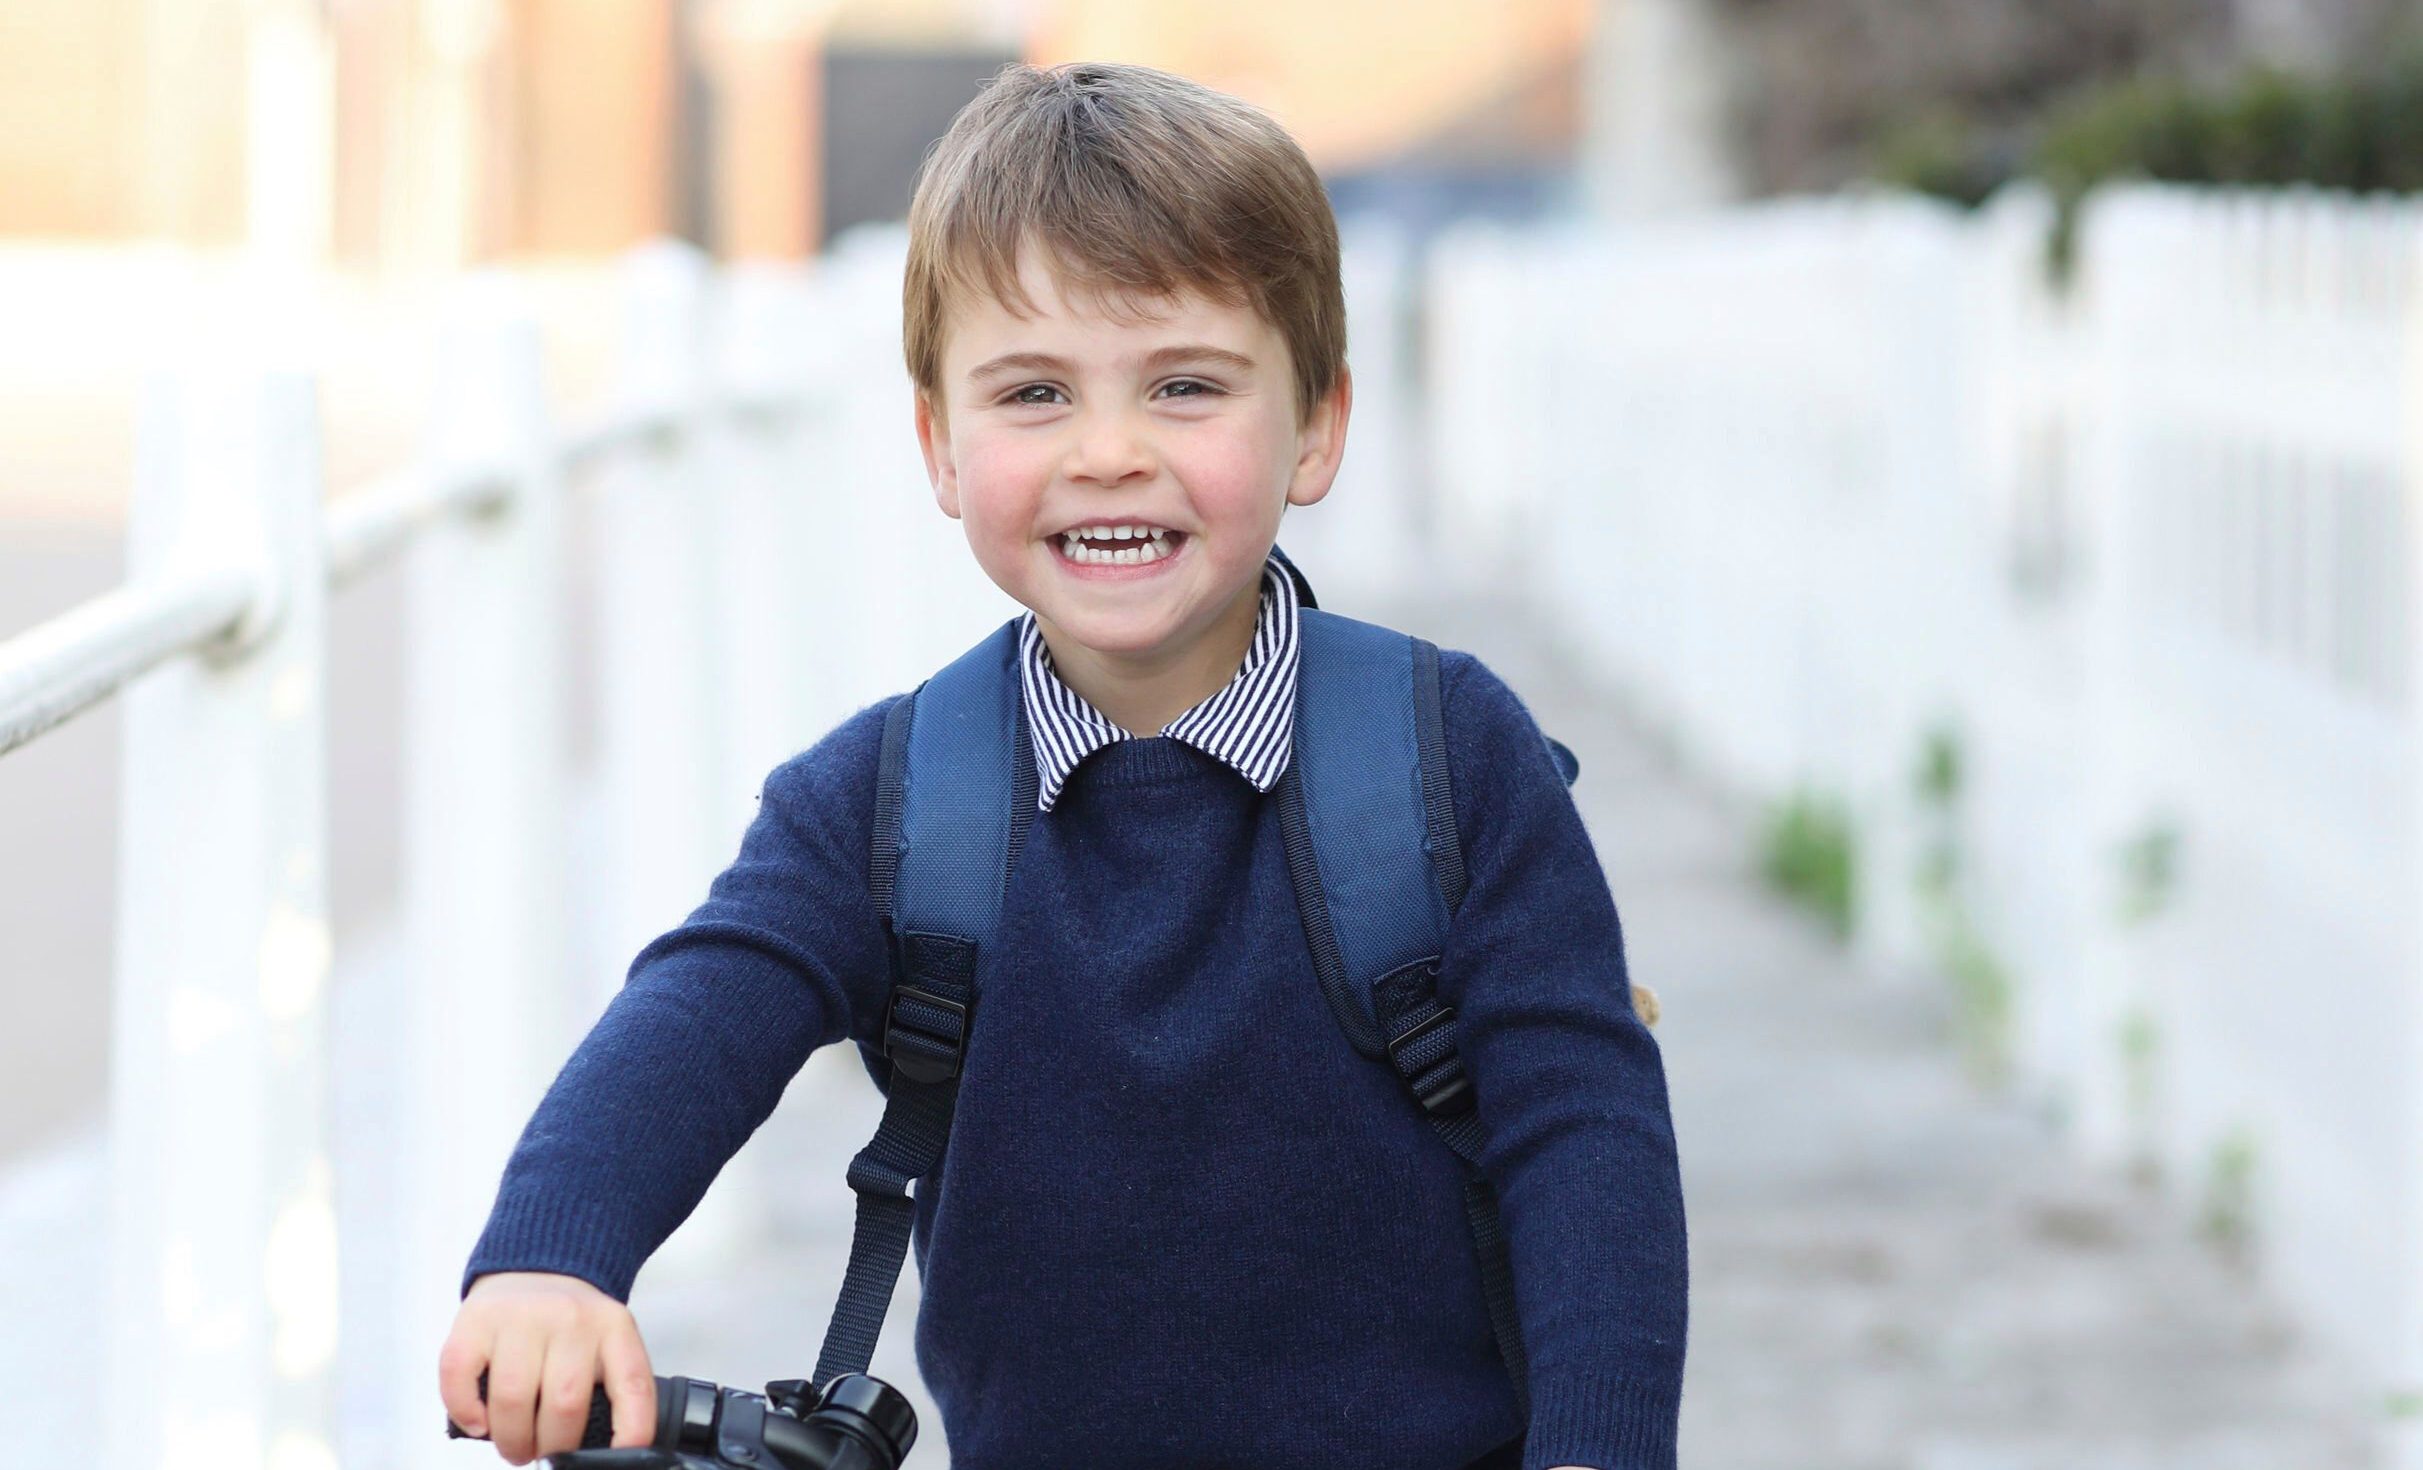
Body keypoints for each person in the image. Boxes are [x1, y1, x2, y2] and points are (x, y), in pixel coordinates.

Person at [436, 59, 1688, 1470]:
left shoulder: (1451, 757)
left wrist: (1600, 1448)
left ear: (1318, 425)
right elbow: (700, 1007)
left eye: (1185, 386)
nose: (1108, 452)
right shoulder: (886, 803)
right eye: (1034, 392)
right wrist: (551, 1250)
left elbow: (1585, 1128)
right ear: (940, 444)